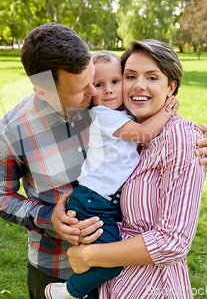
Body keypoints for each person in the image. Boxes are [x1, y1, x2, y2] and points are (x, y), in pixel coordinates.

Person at [0, 23, 207, 299]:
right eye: (82, 90)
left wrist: (199, 143)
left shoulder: (109, 104)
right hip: (56, 267)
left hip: (119, 272)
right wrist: (48, 217)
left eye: (94, 79)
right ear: (43, 91)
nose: (95, 92)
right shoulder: (10, 133)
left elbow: (155, 122)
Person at [67, 39, 206, 299]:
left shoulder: (179, 137)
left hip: (153, 287)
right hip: (116, 286)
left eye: (152, 77)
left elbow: (173, 242)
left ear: (171, 87)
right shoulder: (127, 127)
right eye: (131, 76)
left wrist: (88, 255)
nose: (139, 85)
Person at [45, 51, 179, 299]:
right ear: (90, 90)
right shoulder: (103, 115)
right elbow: (144, 134)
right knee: (112, 261)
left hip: (101, 199)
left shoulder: (124, 114)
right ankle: (68, 291)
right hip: (93, 200)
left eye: (116, 82)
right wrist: (168, 111)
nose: (108, 90)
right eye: (99, 84)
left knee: (104, 257)